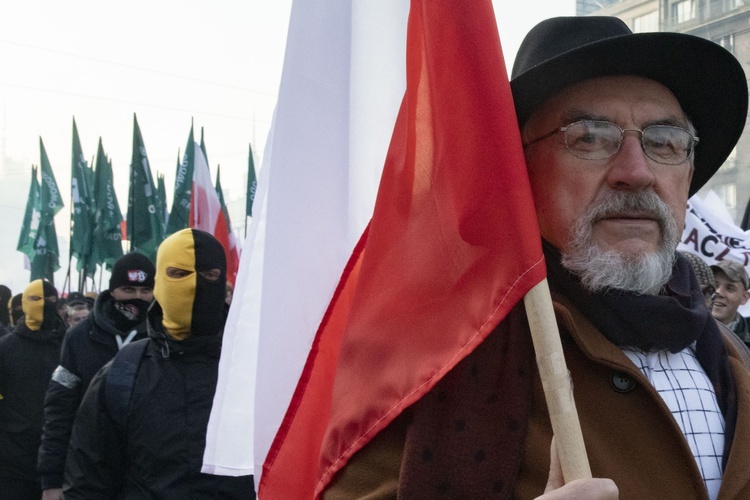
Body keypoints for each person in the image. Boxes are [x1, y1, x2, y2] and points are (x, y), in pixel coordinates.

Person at [323, 16, 750, 499]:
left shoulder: (733, 359)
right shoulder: (430, 360)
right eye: (590, 137)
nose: (637, 172)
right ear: (518, 170)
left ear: (689, 170)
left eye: (664, 142)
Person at [64, 229, 255, 499]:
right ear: (161, 283)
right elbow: (89, 481)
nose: (193, 286)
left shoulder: (254, 370)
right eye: (179, 274)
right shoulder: (123, 373)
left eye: (208, 276)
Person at [37, 252, 155, 500]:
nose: (138, 297)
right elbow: (59, 411)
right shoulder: (79, 337)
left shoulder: (164, 335)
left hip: (151, 475)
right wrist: (52, 480)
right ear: (112, 291)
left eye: (146, 290)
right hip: (87, 473)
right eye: (128, 289)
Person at [0, 280, 65, 500]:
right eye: (36, 300)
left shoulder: (68, 346)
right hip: (13, 463)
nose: (43, 305)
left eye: (50, 300)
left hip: (61, 461)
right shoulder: (6, 349)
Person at [711, 259, 750, 346]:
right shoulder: (684, 325)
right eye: (714, 285)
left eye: (730, 288)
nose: (719, 292)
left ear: (744, 298)